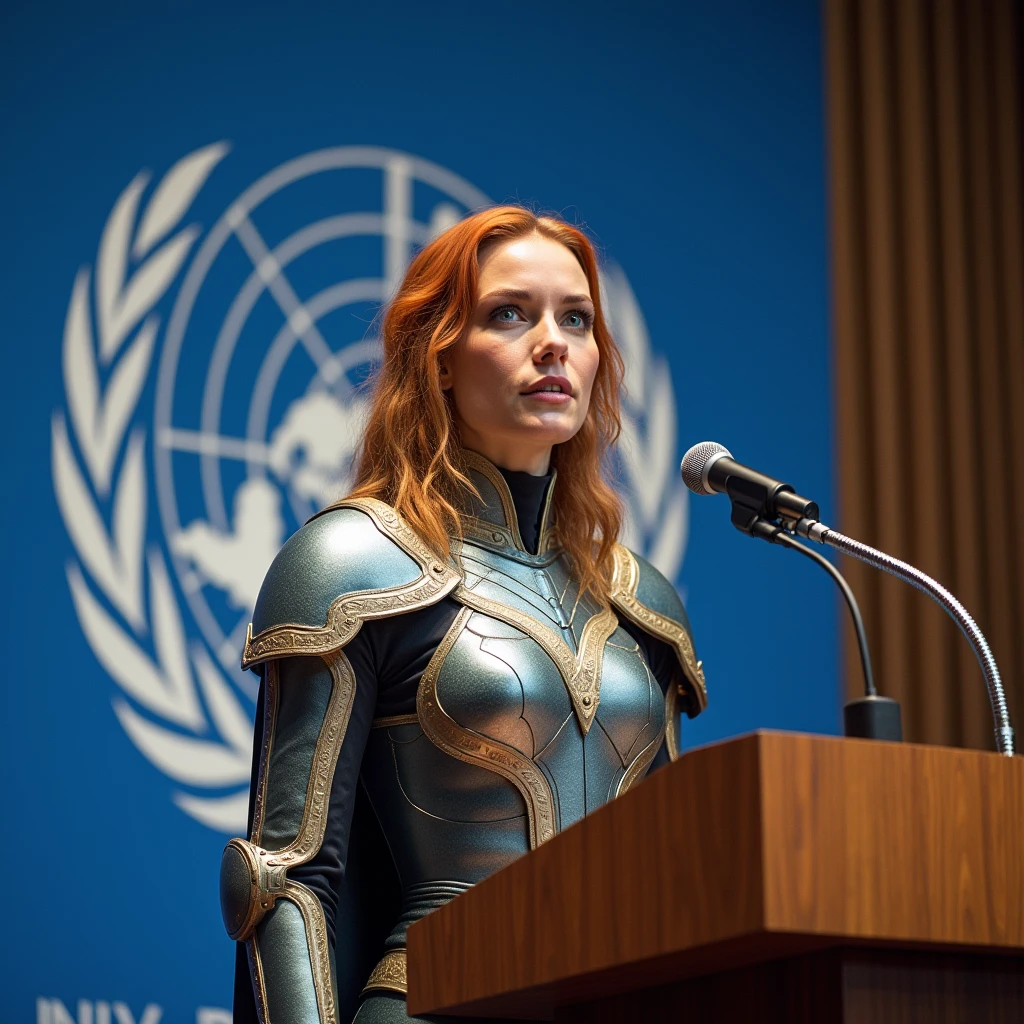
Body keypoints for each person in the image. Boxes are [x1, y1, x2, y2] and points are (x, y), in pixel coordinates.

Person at [219, 206, 708, 1024]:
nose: (552, 342)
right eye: (509, 314)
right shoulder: (355, 563)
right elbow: (283, 879)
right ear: (440, 357)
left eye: (576, 319)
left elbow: (674, 893)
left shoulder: (642, 599)